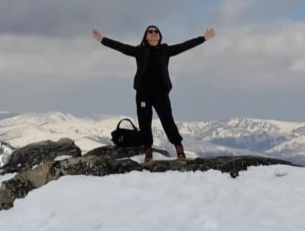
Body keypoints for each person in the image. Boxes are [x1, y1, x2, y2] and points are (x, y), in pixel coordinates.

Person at [91, 25, 215, 163]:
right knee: (144, 121)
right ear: (146, 36)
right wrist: (102, 40)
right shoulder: (139, 51)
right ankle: (148, 149)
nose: (153, 34)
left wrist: (203, 38)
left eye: (156, 32)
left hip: (160, 92)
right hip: (143, 92)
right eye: (150, 32)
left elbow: (184, 46)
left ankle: (178, 147)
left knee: (168, 120)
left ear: (160, 36)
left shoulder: (165, 50)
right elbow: (122, 47)